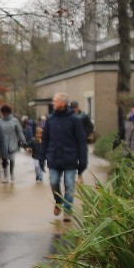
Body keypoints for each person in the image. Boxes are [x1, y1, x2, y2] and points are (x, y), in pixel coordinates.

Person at [44, 92, 89, 221]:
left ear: (63, 103)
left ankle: (68, 210)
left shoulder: (74, 120)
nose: (53, 103)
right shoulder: (50, 119)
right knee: (53, 182)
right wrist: (41, 157)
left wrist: (83, 161)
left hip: (70, 159)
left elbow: (81, 141)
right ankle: (58, 201)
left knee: (69, 185)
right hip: (54, 158)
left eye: (55, 101)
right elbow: (45, 139)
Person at [0, 105, 26, 183]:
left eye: (6, 113)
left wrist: (24, 141)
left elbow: (20, 132)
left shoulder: (15, 120)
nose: (5, 114)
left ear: (9, 112)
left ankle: (12, 173)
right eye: (4, 113)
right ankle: (6, 176)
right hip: (3, 144)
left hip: (12, 143)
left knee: (12, 159)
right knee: (5, 160)